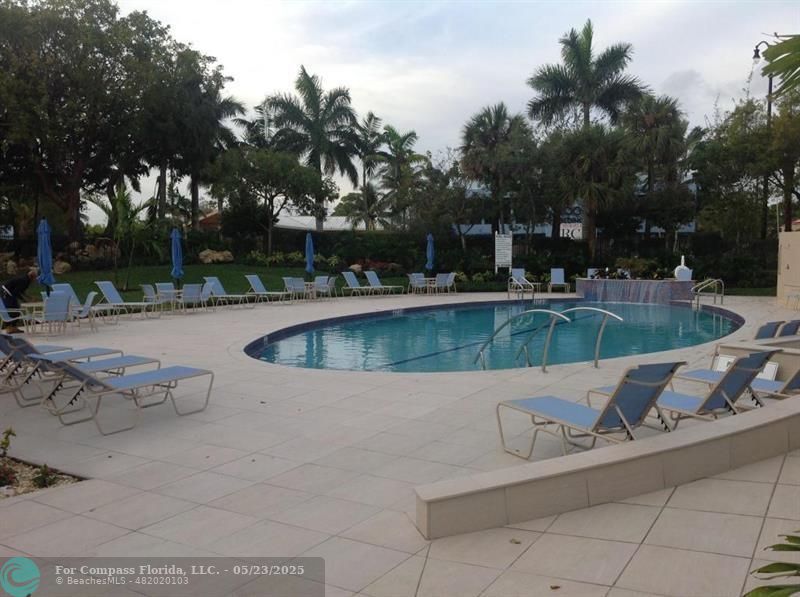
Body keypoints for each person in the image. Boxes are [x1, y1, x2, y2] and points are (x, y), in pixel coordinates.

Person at [1, 268, 38, 333]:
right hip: (6, 292)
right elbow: (17, 292)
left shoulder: (26, 280)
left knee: (16, 309)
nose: (35, 279)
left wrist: (29, 297)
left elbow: (21, 291)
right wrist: (25, 300)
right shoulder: (24, 280)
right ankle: (9, 327)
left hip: (10, 292)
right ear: (32, 276)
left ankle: (13, 327)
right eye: (35, 276)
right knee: (12, 310)